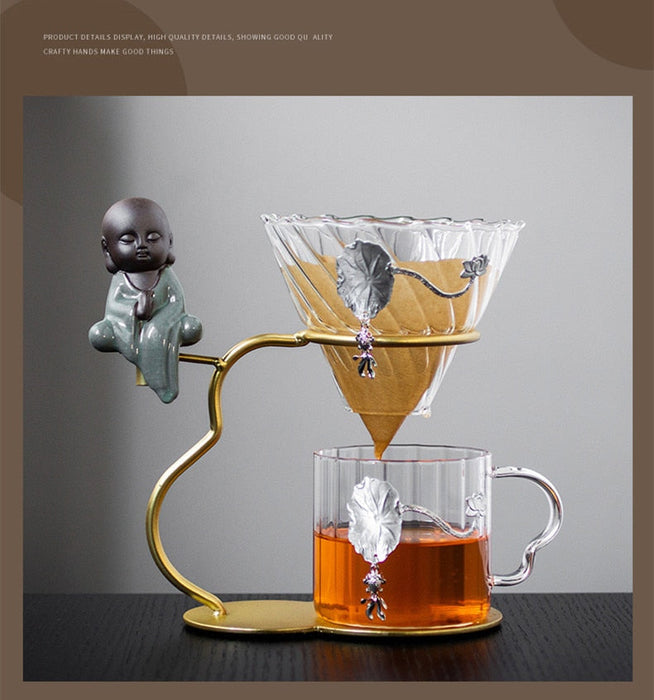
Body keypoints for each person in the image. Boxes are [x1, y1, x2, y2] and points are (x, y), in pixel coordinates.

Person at [89, 197, 202, 403]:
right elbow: (115, 309)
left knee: (192, 328)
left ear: (169, 242)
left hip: (166, 326)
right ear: (107, 248)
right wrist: (136, 311)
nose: (141, 245)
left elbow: (176, 303)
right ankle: (150, 360)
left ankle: (157, 368)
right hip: (124, 330)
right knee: (99, 334)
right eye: (128, 240)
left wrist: (158, 322)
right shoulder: (121, 281)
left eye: (152, 238)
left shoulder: (166, 277)